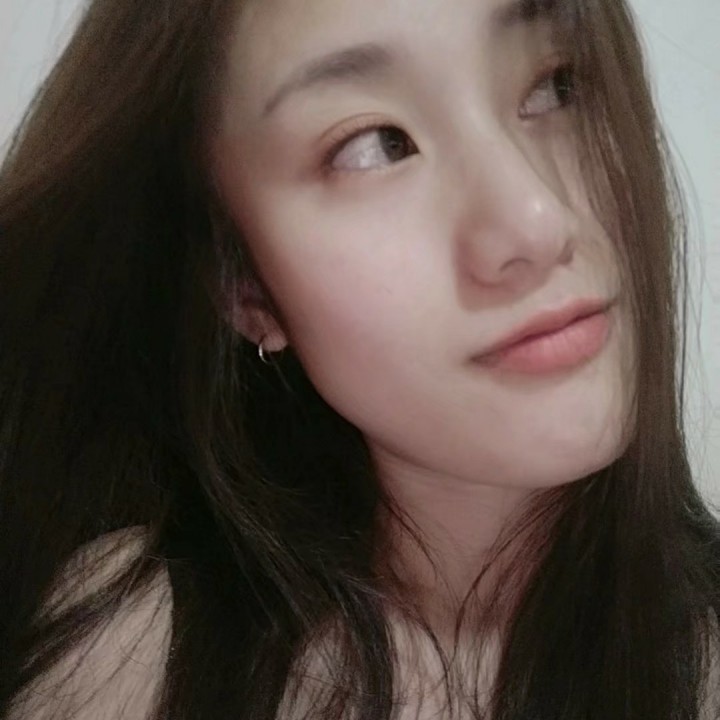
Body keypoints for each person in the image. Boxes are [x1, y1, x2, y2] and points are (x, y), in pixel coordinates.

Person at [0, 0, 718, 717]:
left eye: (556, 85)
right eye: (377, 145)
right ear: (243, 284)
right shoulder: (131, 659)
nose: (537, 220)